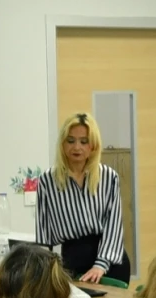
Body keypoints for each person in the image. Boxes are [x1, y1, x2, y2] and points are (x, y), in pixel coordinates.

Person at [36, 112, 130, 284]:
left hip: (110, 263)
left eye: (84, 141)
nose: (76, 147)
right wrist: (43, 272)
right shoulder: (47, 181)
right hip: (72, 263)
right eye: (70, 141)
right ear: (63, 144)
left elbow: (113, 225)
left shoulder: (109, 177)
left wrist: (100, 265)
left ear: (93, 145)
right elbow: (43, 234)